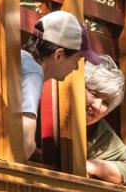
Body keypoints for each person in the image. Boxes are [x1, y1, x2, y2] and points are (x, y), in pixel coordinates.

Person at [20, 9, 103, 161]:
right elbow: (25, 145)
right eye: (77, 60)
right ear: (59, 55)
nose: (77, 68)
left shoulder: (21, 60)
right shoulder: (33, 73)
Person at [81, 59, 126, 185]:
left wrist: (94, 166)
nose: (97, 106)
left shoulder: (99, 131)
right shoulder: (44, 101)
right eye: (94, 93)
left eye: (106, 103)